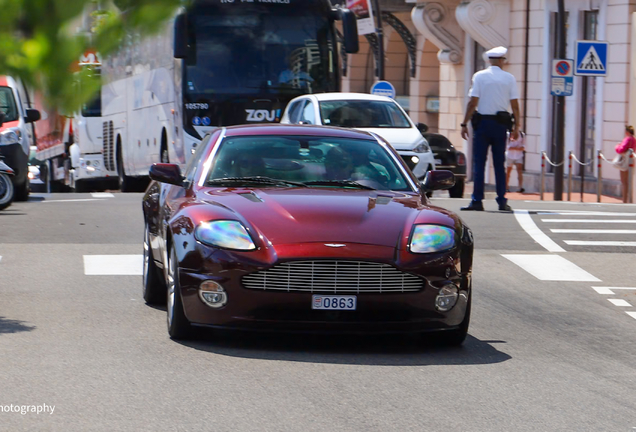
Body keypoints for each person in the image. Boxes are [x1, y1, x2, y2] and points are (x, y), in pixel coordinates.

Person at [459, 46, 521, 211]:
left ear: (488, 60)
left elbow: (473, 102)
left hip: (483, 124)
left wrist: (464, 124)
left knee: (479, 162)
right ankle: (501, 200)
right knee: (499, 163)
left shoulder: (479, 76)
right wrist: (517, 126)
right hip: (501, 124)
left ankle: (477, 201)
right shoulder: (509, 78)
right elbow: (515, 105)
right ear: (502, 60)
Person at [614, 125, 636, 203]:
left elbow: (620, 149)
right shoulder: (633, 139)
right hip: (631, 162)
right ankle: (629, 199)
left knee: (624, 182)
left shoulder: (627, 139)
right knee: (629, 181)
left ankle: (624, 200)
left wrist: (617, 146)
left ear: (627, 132)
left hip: (624, 162)